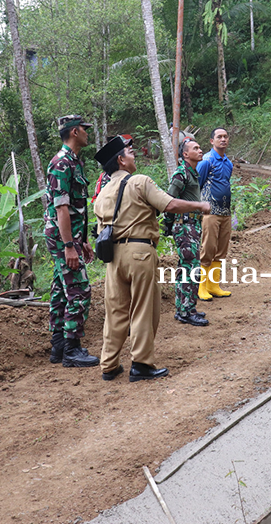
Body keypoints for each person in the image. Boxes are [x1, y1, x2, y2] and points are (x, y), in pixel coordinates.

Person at [93, 136, 210, 382]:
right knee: (144, 309)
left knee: (115, 310)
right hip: (140, 252)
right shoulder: (139, 182)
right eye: (130, 152)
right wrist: (200, 206)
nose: (134, 155)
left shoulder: (102, 194)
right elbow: (170, 204)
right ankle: (141, 363)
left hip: (113, 257)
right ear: (121, 160)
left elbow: (99, 229)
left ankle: (109, 365)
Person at [43, 115, 100, 368]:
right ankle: (71, 350)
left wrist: (83, 241)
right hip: (61, 238)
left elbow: (79, 209)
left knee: (60, 289)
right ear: (75, 132)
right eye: (85, 130)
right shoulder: (62, 164)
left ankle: (58, 346)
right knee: (79, 290)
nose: (88, 133)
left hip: (70, 236)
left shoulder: (74, 162)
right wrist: (69, 246)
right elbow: (61, 209)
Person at [163, 138, 209, 326]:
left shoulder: (192, 173)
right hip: (185, 226)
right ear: (185, 154)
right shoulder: (181, 174)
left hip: (192, 225)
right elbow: (168, 200)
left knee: (188, 268)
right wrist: (168, 225)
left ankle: (187, 308)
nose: (200, 151)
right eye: (195, 148)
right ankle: (185, 311)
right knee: (190, 268)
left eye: (199, 148)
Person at [196, 128, 233, 301]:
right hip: (210, 213)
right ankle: (201, 286)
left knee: (221, 250)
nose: (223, 139)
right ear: (212, 141)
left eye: (225, 137)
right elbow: (198, 185)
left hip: (225, 212)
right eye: (219, 137)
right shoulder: (206, 161)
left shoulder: (228, 163)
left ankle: (214, 285)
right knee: (208, 248)